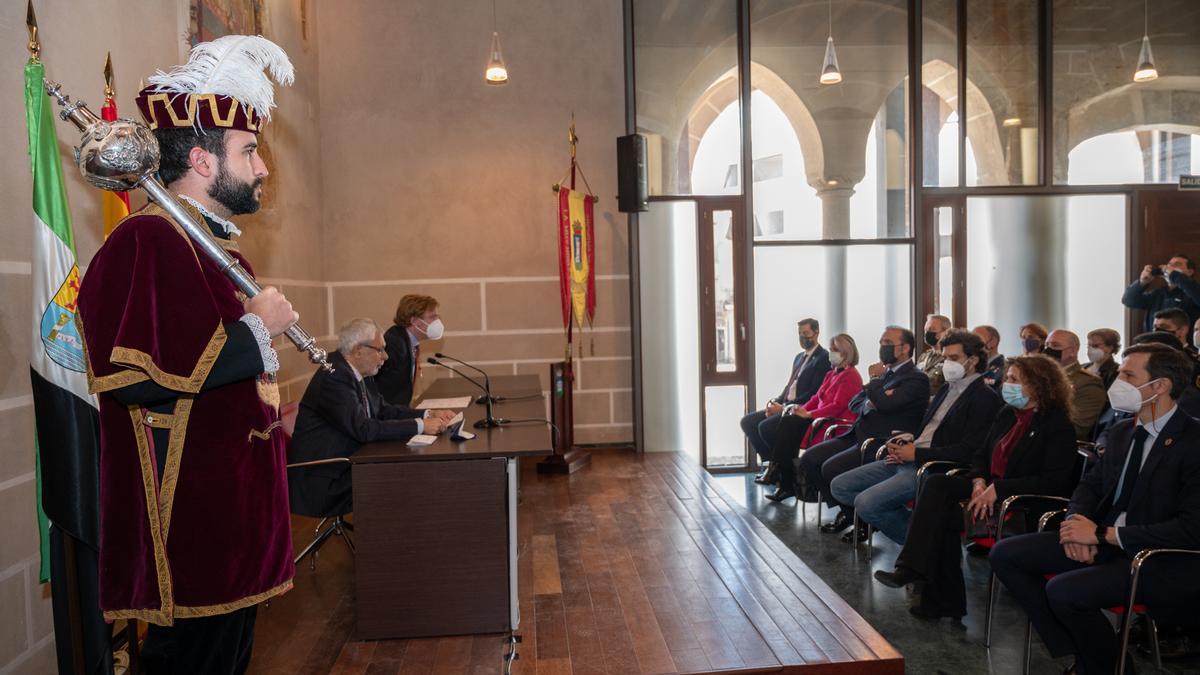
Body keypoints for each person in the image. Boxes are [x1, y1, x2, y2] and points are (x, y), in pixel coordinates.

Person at [76, 36, 301, 673]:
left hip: (235, 524)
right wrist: (255, 330)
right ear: (202, 160)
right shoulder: (147, 238)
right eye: (250, 152)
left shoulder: (219, 254)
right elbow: (132, 377)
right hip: (191, 533)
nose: (261, 169)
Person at [989, 344, 1200, 675]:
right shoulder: (1120, 432)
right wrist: (1077, 523)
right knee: (1006, 554)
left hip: (1159, 556)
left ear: (1160, 386)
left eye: (1129, 375)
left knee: (1064, 591)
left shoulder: (1193, 440)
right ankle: (1093, 656)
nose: (1119, 381)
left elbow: (1191, 529)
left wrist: (1104, 534)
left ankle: (1098, 663)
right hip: (1103, 540)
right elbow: (1089, 487)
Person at [873, 355, 1078, 621]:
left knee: (943, 517)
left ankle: (938, 595)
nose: (1008, 384)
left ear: (1039, 386)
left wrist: (999, 489)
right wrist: (979, 480)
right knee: (937, 484)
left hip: (1021, 505)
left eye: (1015, 380)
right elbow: (981, 455)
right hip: (986, 490)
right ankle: (912, 569)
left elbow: (1054, 481)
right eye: (1008, 378)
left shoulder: (1057, 425)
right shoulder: (1008, 414)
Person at [829, 330, 1002, 544]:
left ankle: (924, 546)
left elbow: (970, 450)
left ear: (973, 360)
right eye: (946, 358)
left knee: (867, 503)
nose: (948, 364)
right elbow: (928, 429)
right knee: (841, 485)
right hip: (910, 456)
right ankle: (929, 537)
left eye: (954, 358)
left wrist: (916, 454)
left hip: (933, 466)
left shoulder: (983, 398)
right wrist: (906, 441)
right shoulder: (947, 389)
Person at [289, 318, 455, 516]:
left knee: (401, 469)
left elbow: (384, 411)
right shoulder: (334, 376)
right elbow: (363, 429)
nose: (385, 356)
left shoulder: (356, 372)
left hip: (346, 462)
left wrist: (428, 414)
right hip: (324, 478)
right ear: (359, 350)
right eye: (380, 350)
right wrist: (421, 426)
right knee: (399, 475)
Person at [795, 327, 929, 536]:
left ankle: (862, 520)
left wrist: (876, 385)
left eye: (887, 343)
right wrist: (874, 398)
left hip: (881, 441)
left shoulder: (915, 378)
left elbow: (886, 405)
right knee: (811, 459)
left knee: (831, 469)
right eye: (881, 343)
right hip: (857, 434)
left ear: (905, 348)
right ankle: (852, 516)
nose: (882, 348)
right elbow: (855, 401)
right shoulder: (886, 374)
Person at [763, 333, 863, 502]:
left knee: (789, 426)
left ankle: (781, 474)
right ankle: (783, 476)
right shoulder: (831, 374)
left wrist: (809, 414)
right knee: (786, 422)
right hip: (818, 419)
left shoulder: (851, 376)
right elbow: (816, 398)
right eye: (831, 349)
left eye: (834, 350)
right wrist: (800, 409)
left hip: (833, 424)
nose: (830, 353)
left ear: (845, 353)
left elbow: (837, 407)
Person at [742, 318, 831, 482]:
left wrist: (783, 407)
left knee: (765, 427)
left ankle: (781, 471)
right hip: (785, 404)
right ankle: (773, 464)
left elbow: (813, 393)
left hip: (800, 410)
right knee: (748, 422)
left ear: (816, 333)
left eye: (806, 333)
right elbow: (790, 385)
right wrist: (776, 402)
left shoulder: (823, 358)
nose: (803, 337)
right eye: (800, 334)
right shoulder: (799, 357)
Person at [376, 294, 444, 406]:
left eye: (437, 317)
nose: (437, 321)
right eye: (432, 317)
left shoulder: (408, 341)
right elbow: (381, 390)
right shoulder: (394, 344)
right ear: (414, 321)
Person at [1043, 330, 1106, 440]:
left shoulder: (1088, 383)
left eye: (1055, 345)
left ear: (1072, 351)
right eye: (1046, 345)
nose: (1048, 350)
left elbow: (1077, 428)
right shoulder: (1040, 377)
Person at [1122, 254, 1200, 333]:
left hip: (1182, 343)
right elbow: (1128, 301)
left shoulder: (1194, 291)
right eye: (1169, 265)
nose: (1169, 268)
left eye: (1176, 265)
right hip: (1155, 342)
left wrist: (1174, 275)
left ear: (1190, 272)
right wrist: (1142, 282)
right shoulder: (1158, 293)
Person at [917, 314, 951, 398]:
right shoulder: (923, 357)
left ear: (946, 332)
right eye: (926, 330)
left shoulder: (950, 358)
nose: (928, 333)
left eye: (932, 329)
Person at [973, 324, 1006, 392]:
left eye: (977, 338)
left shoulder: (1002, 369)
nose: (972, 343)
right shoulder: (972, 365)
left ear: (993, 342)